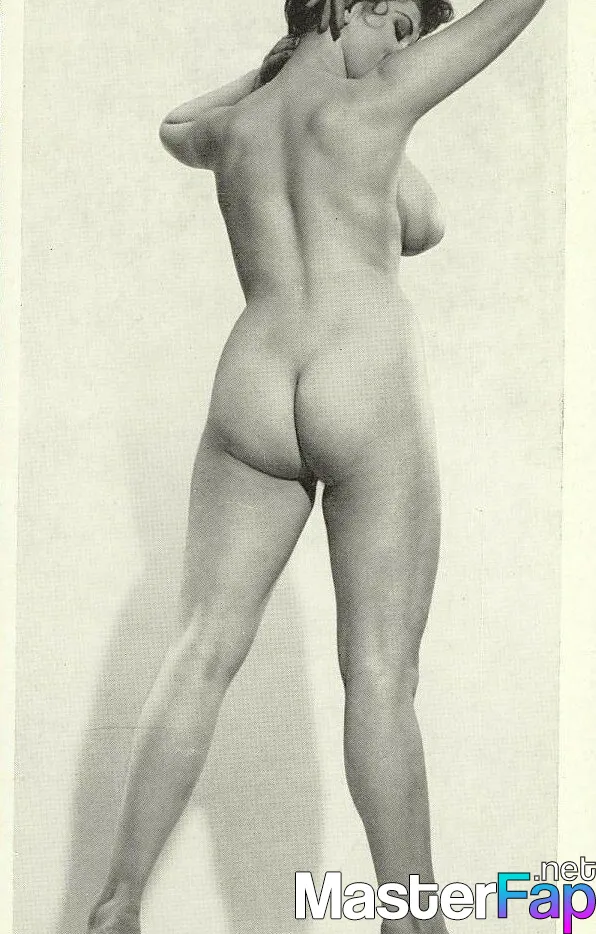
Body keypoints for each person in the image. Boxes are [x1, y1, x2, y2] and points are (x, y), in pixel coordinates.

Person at [88, 0, 547, 929]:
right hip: (359, 368)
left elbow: (176, 127)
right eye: (402, 25)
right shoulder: (379, 106)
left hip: (253, 378)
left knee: (200, 649)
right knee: (380, 676)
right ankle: (413, 918)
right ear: (349, 6)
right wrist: (355, 88)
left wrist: (285, 65)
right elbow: (509, 15)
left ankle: (118, 901)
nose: (408, 49)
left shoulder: (234, 130)